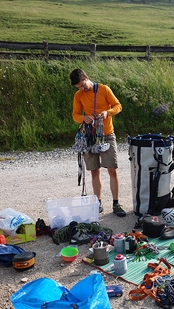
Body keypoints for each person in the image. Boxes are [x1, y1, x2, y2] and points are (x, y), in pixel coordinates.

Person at [69, 68, 126, 217]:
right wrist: (83, 118)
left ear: (86, 77)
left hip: (107, 135)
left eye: (82, 85)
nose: (82, 89)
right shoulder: (78, 95)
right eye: (78, 87)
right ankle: (98, 203)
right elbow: (75, 115)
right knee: (95, 171)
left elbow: (118, 106)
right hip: (89, 137)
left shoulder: (104, 89)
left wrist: (108, 113)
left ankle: (116, 203)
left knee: (112, 169)